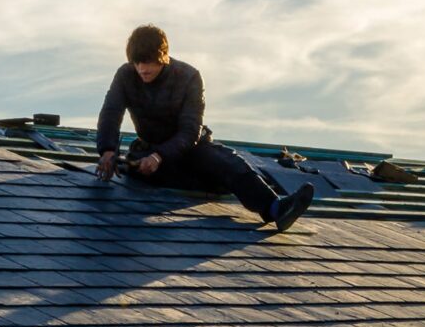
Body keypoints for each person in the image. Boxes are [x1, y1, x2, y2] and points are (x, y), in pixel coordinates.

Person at [95, 24, 314, 232]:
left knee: (227, 163)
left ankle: (276, 209)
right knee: (136, 170)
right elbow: (111, 112)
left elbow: (190, 130)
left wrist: (159, 156)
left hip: (191, 147)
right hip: (148, 148)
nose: (142, 69)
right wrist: (107, 149)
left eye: (149, 62)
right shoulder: (125, 75)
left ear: (163, 57)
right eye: (137, 62)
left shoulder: (189, 77)